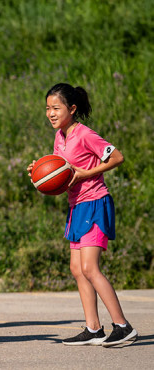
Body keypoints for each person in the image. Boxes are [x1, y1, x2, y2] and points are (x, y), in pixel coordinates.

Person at [27, 83, 138, 347]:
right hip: (77, 205)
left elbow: (117, 157)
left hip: (95, 202)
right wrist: (39, 170)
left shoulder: (85, 134)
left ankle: (123, 327)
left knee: (90, 267)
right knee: (77, 269)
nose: (50, 113)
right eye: (47, 108)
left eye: (56, 108)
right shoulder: (60, 136)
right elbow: (58, 170)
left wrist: (86, 173)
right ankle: (93, 329)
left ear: (72, 109)